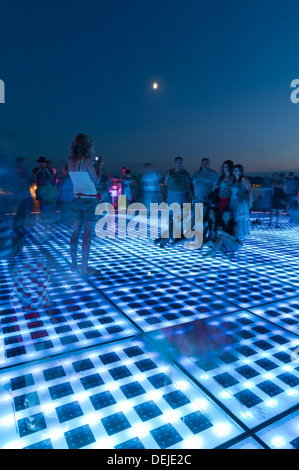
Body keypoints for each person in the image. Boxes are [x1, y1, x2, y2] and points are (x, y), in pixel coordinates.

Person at [67, 133, 104, 276]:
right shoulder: (87, 160)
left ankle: (74, 265)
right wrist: (99, 165)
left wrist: (92, 165)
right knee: (87, 235)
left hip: (77, 200)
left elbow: (80, 175)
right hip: (90, 200)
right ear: (87, 145)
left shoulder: (70, 160)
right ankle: (84, 268)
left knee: (75, 232)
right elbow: (96, 180)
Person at [230, 164, 253, 240]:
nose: (235, 172)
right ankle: (236, 234)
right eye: (234, 170)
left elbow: (249, 190)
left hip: (242, 202)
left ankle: (239, 236)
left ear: (240, 171)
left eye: (237, 170)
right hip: (234, 202)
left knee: (240, 218)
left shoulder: (243, 178)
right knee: (235, 218)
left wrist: (250, 202)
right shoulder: (234, 180)